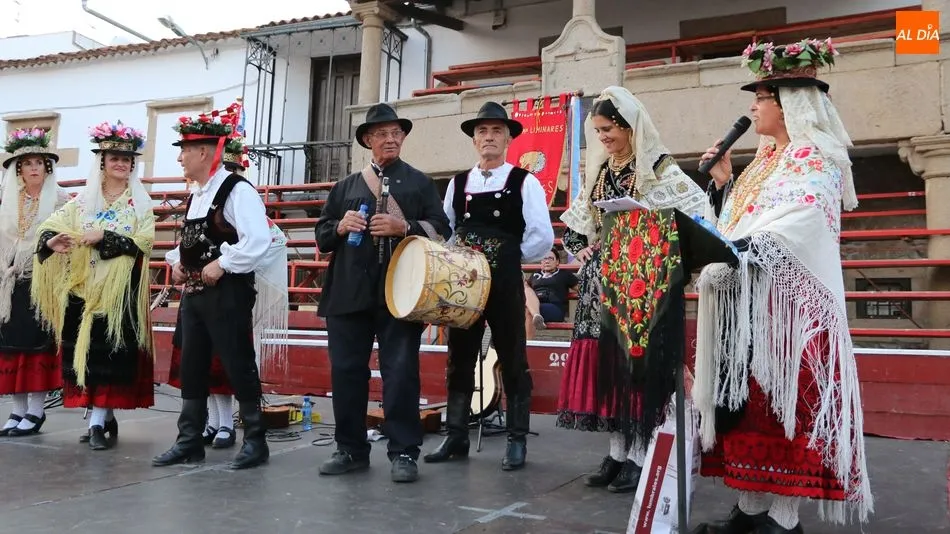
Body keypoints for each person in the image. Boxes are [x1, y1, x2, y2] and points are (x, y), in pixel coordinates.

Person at [691, 38, 872, 533]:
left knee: (787, 409)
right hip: (748, 304)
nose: (752, 105)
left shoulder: (817, 159)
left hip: (791, 313)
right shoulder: (765, 162)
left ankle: (783, 516)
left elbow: (801, 221)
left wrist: (751, 248)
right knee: (749, 406)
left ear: (790, 103)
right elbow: (737, 224)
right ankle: (750, 508)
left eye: (763, 96)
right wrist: (725, 185)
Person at [556, 87, 706, 492]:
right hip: (601, 285)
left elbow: (695, 215)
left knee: (634, 370)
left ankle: (640, 456)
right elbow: (576, 228)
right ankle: (617, 453)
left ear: (629, 126)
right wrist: (583, 247)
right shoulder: (602, 172)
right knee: (609, 370)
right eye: (598, 130)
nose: (602, 137)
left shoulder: (658, 168)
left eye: (608, 129)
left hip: (641, 287)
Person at [315, 103, 451, 483]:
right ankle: (350, 448)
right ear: (367, 140)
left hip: (402, 292)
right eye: (382, 134)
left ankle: (404, 451)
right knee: (346, 373)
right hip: (347, 293)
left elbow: (442, 230)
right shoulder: (344, 187)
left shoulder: (421, 182)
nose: (390, 139)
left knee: (401, 373)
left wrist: (403, 225)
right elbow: (322, 238)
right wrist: (340, 226)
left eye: (396, 133)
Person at [424, 101, 555, 471]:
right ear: (473, 139)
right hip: (465, 285)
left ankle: (516, 439)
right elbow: (446, 230)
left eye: (496, 131)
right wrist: (457, 264)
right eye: (482, 131)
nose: (489, 137)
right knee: (459, 356)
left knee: (513, 356)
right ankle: (456, 434)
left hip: (504, 282)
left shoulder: (523, 181)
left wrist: (507, 259)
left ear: (509, 137)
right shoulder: (457, 182)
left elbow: (542, 236)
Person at [152, 112, 276, 470]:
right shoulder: (197, 195)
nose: (180, 158)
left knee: (237, 362)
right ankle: (189, 439)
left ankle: (256, 440)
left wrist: (223, 263)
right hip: (194, 295)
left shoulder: (237, 190)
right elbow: (190, 242)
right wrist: (176, 262)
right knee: (192, 364)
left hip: (228, 293)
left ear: (205, 152)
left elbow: (259, 240)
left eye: (185, 151)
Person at [32, 121, 155, 450]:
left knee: (109, 357)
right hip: (82, 289)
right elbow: (51, 225)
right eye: (114, 157)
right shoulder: (81, 202)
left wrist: (106, 237)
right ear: (101, 161)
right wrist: (52, 240)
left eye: (127, 160)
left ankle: (99, 422)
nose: (121, 164)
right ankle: (101, 415)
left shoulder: (139, 205)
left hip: (118, 293)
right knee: (87, 359)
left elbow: (143, 242)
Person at [0, 128, 69, 437]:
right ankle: (16, 409)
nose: (33, 169)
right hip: (10, 282)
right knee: (11, 345)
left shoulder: (61, 200)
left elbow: (68, 239)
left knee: (39, 345)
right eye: (27, 163)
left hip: (44, 279)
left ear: (47, 168)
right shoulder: (8, 203)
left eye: (39, 163)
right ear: (18, 170)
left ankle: (36, 410)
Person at [524, 248, 578, 325]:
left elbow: (580, 288)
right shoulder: (535, 274)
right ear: (541, 262)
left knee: (529, 311)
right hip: (537, 305)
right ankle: (537, 316)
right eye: (544, 258)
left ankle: (535, 321)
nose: (547, 261)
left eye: (550, 258)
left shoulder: (564, 274)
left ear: (557, 262)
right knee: (526, 289)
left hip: (555, 308)